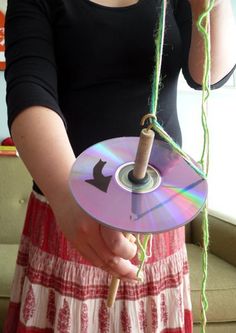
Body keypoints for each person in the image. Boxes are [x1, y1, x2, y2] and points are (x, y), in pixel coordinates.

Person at [3, 0, 236, 332]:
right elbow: (30, 90)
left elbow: (208, 75)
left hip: (158, 209)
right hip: (68, 211)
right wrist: (69, 201)